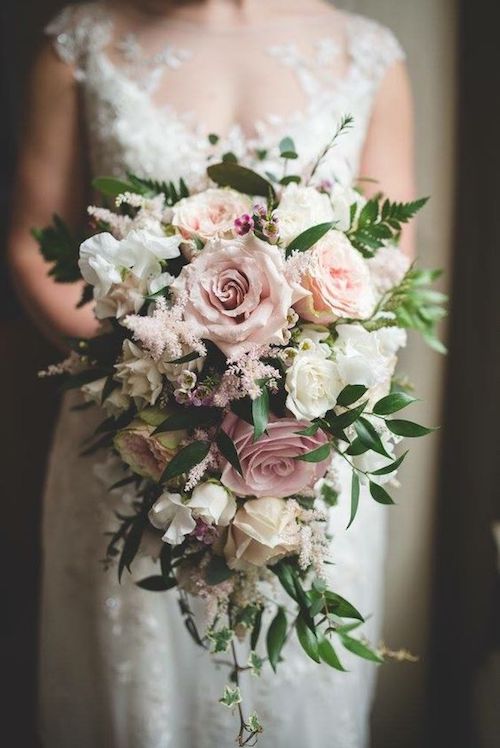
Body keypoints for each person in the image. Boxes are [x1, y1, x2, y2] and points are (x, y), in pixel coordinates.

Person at [7, 1, 415, 746]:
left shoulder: (369, 56)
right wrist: (149, 366)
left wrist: (294, 363)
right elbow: (34, 246)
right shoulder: (80, 44)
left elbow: (390, 257)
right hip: (132, 430)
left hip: (305, 445)